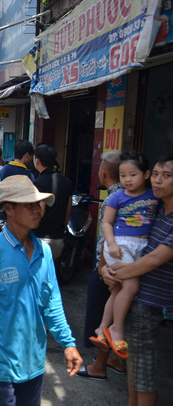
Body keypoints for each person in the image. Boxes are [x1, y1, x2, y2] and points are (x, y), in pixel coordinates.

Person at [0, 176, 83, 405]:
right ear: (9, 209)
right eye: (29, 204)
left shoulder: (44, 251)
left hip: (34, 363)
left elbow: (51, 302)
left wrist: (68, 343)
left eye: (37, 203)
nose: (38, 209)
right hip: (0, 366)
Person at [101, 154, 173, 406]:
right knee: (135, 368)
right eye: (155, 174)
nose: (158, 181)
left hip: (148, 303)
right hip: (136, 297)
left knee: (144, 373)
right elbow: (114, 232)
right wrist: (105, 270)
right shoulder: (159, 210)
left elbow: (154, 260)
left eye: (167, 176)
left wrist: (116, 274)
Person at [91, 152, 159, 359]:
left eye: (132, 175)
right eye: (122, 175)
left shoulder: (154, 196)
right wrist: (111, 244)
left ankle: (103, 328)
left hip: (141, 246)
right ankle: (116, 329)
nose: (127, 180)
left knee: (118, 289)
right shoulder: (116, 197)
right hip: (120, 247)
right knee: (131, 285)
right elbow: (106, 223)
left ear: (146, 174)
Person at [77, 151, 125, 380]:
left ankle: (100, 364)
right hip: (125, 267)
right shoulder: (130, 196)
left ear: (104, 173)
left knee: (101, 318)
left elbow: (108, 239)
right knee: (117, 316)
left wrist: (101, 269)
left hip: (108, 268)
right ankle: (116, 359)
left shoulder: (112, 200)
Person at [32, 144, 73, 260]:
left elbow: (40, 212)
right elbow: (68, 210)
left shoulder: (38, 183)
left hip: (41, 238)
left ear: (37, 161)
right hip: (59, 238)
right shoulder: (67, 182)